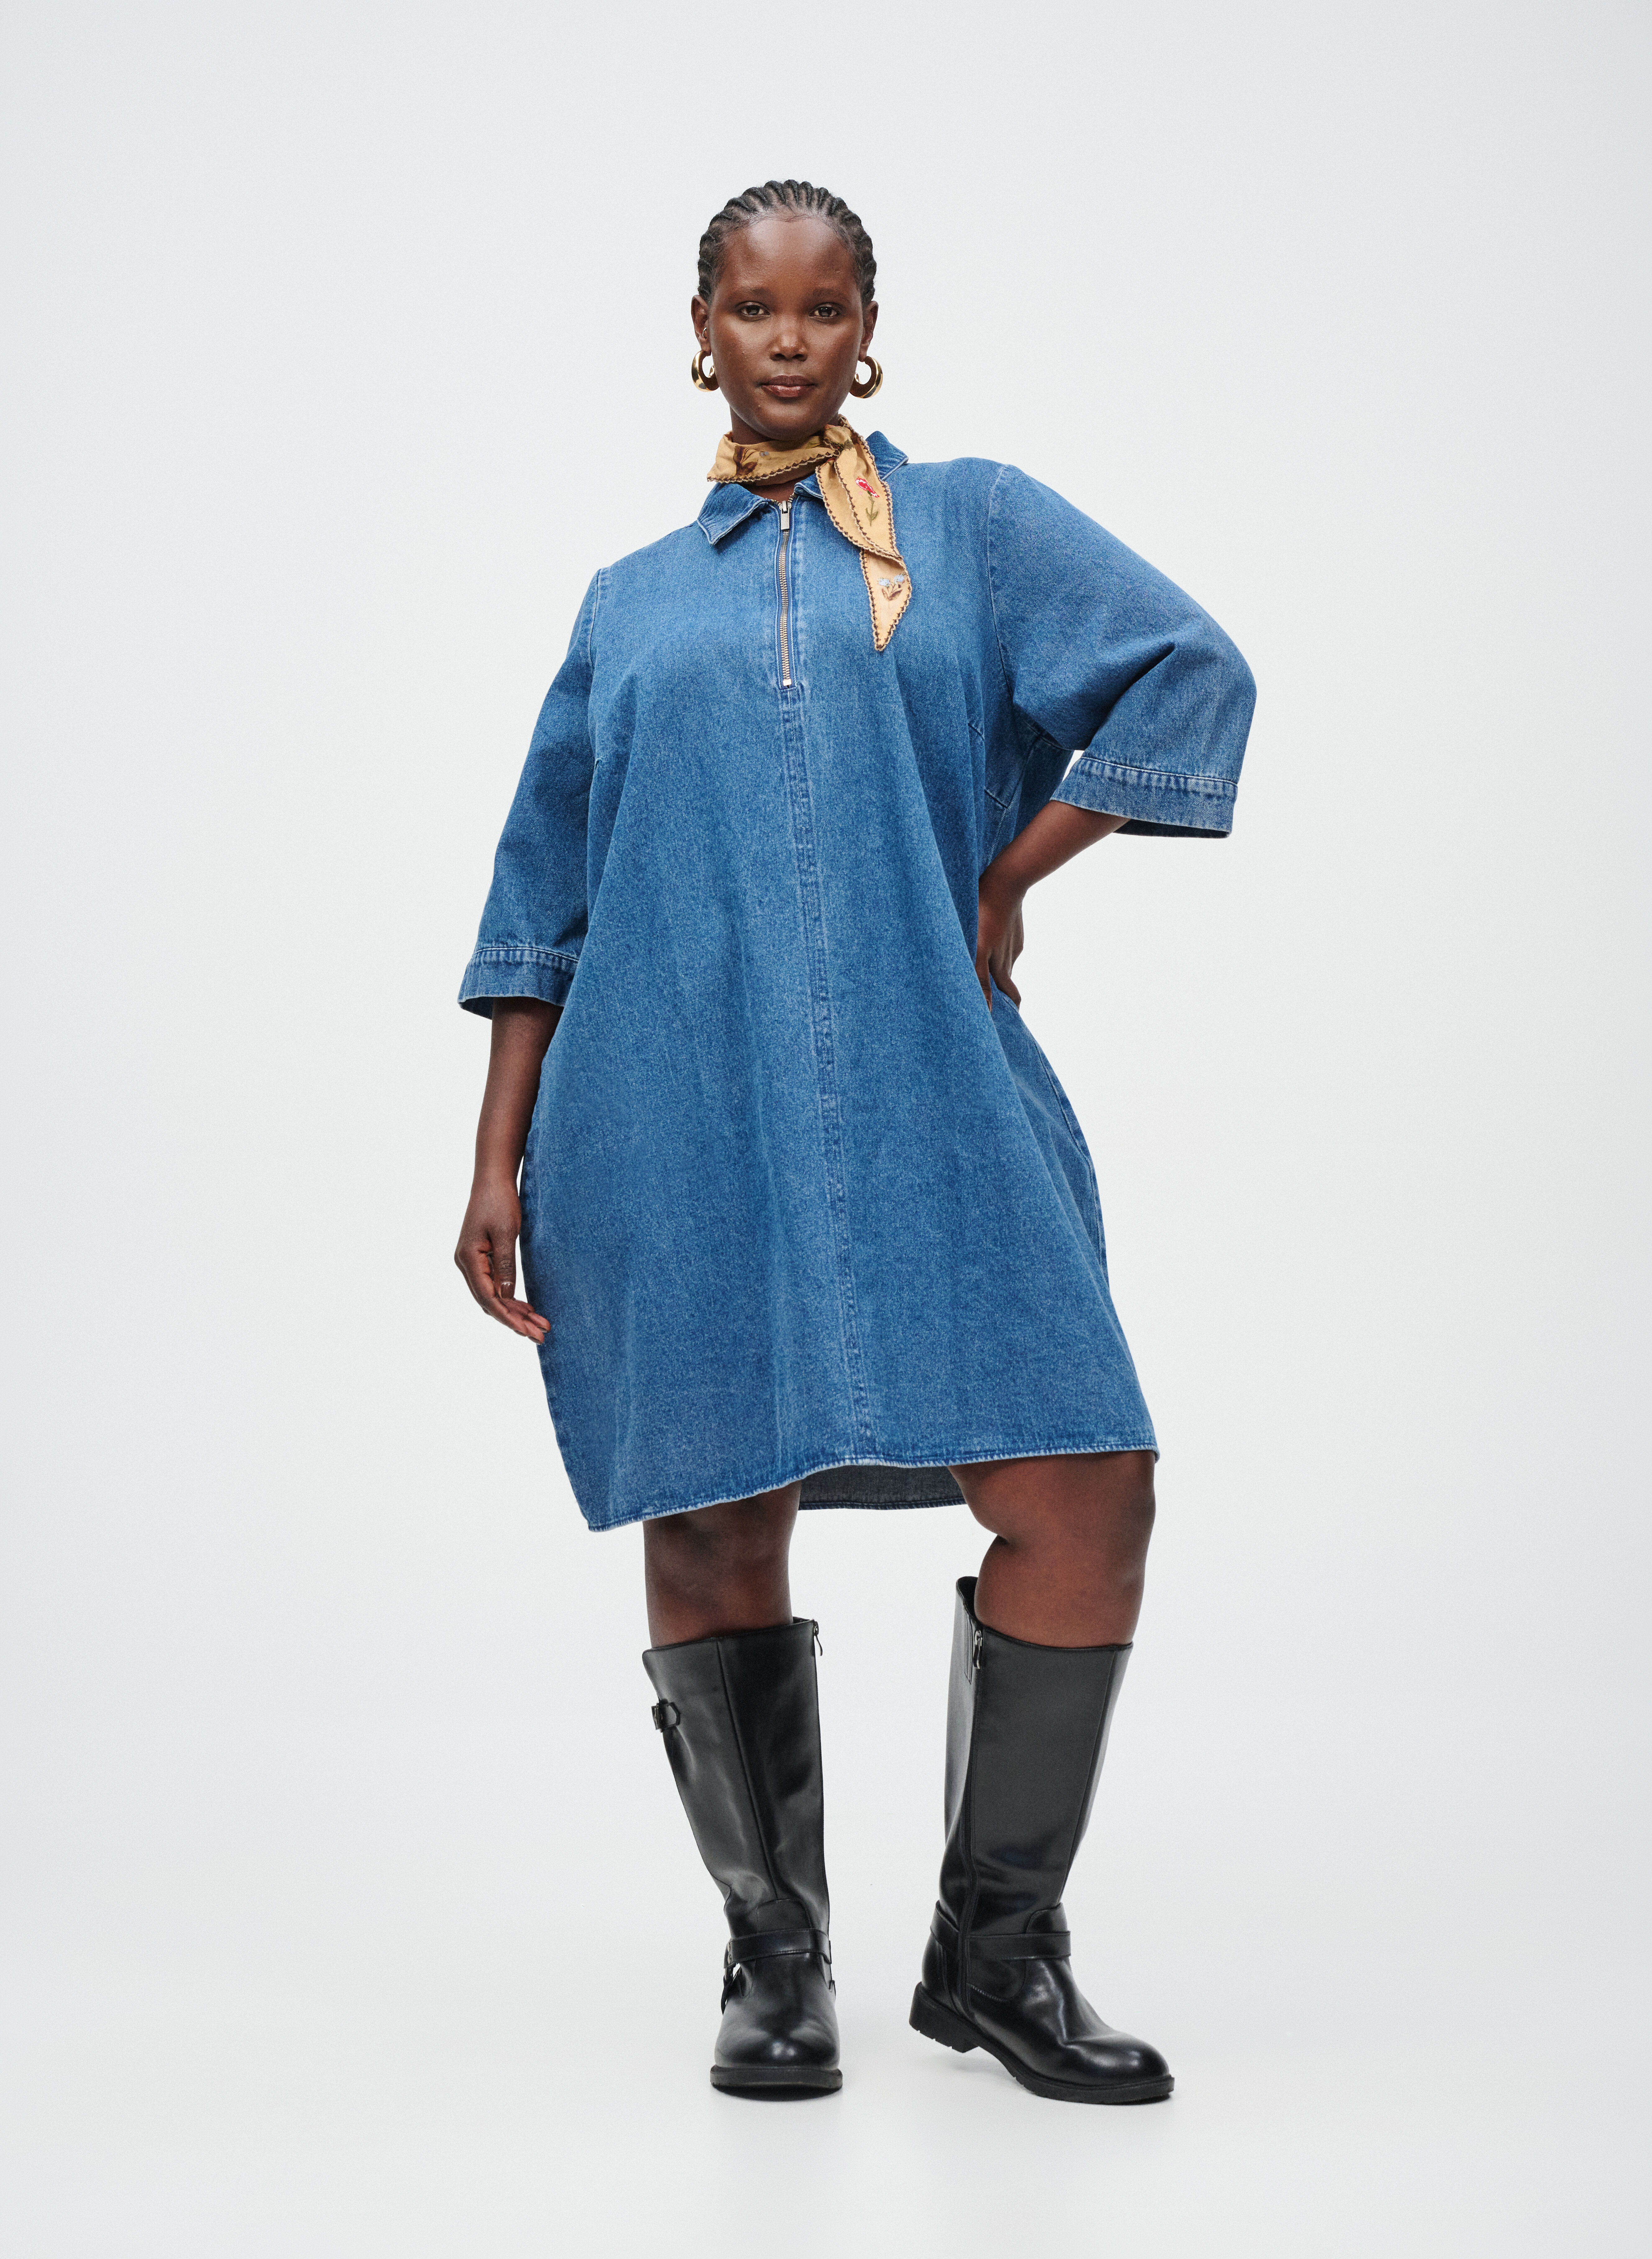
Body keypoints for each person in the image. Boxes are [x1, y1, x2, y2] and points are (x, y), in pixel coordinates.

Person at [454, 179, 1256, 2104]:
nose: (789, 337)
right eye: (754, 305)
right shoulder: (631, 601)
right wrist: (496, 1157)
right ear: (702, 332)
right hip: (665, 1103)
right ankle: (773, 1955)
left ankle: (997, 1953)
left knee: (1083, 1484)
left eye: (824, 306)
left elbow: (1186, 667)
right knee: (713, 1503)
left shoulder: (970, 524)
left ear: (869, 330)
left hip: (931, 1087)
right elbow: (542, 895)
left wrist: (1006, 872)